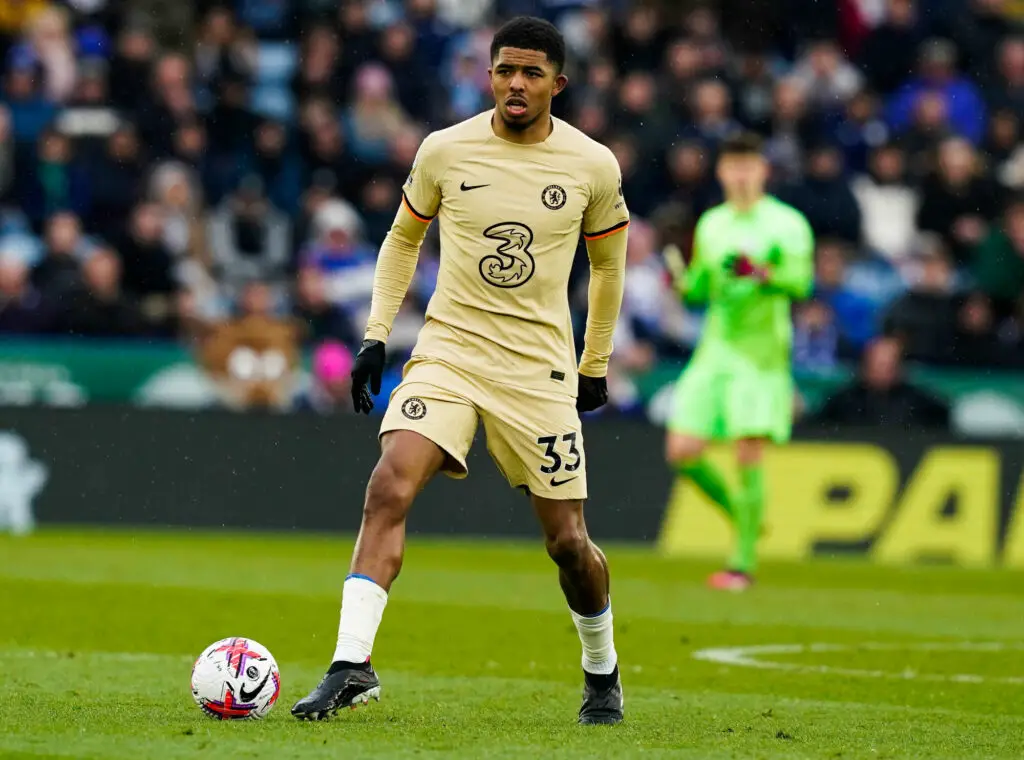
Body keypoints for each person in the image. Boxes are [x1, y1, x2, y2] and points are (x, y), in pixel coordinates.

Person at [291, 17, 629, 726]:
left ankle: (602, 669)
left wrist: (593, 361)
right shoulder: (445, 149)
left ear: (559, 84)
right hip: (449, 351)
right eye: (505, 70)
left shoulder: (592, 165)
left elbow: (607, 266)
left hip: (537, 369)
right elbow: (402, 239)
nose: (516, 83)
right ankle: (351, 663)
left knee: (568, 543)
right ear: (489, 75)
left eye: (532, 73)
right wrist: (375, 337)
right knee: (388, 484)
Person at [662, 132, 814, 592]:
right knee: (682, 451)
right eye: (734, 167)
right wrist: (683, 284)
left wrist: (761, 273)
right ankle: (745, 517)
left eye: (750, 166)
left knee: (749, 450)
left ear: (763, 171)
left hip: (761, 353)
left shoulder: (786, 224)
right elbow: (702, 287)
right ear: (722, 172)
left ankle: (741, 563)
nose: (742, 175)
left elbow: (800, 282)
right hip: (716, 348)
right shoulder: (713, 224)